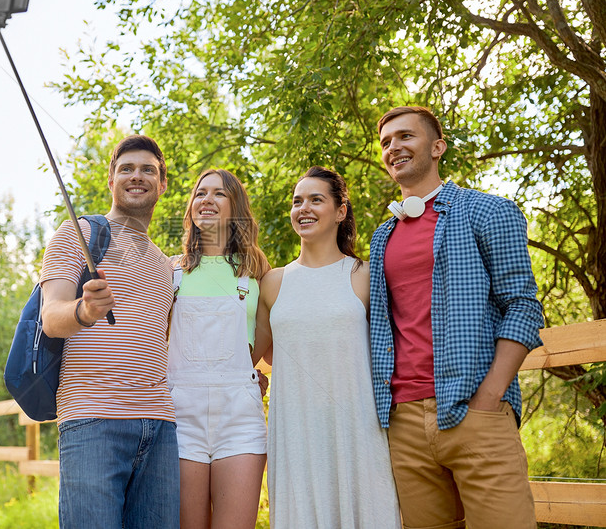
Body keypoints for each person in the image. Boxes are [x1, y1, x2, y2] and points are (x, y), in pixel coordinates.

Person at [370, 106, 544, 529]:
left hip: (475, 411)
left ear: (437, 147)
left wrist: (489, 397)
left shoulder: (486, 211)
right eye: (386, 143)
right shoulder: (382, 237)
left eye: (405, 137)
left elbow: (522, 305)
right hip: (403, 422)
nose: (394, 147)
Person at [39, 135, 178, 529]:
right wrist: (84, 310)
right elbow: (52, 316)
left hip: (161, 426)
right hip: (92, 419)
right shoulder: (78, 234)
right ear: (111, 180)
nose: (138, 176)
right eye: (127, 169)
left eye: (148, 169)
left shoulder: (165, 265)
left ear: (162, 183)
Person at [253, 166, 401, 529]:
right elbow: (249, 354)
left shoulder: (364, 275)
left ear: (340, 211)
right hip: (296, 433)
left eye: (316, 200)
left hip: (358, 430)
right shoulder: (272, 283)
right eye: (297, 201)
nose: (303, 208)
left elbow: (393, 348)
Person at [167, 169, 270, 529]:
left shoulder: (256, 271)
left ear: (236, 207)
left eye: (219, 194)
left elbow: (268, 341)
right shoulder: (172, 272)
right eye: (200, 193)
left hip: (239, 418)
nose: (207, 200)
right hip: (181, 416)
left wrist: (241, 375)